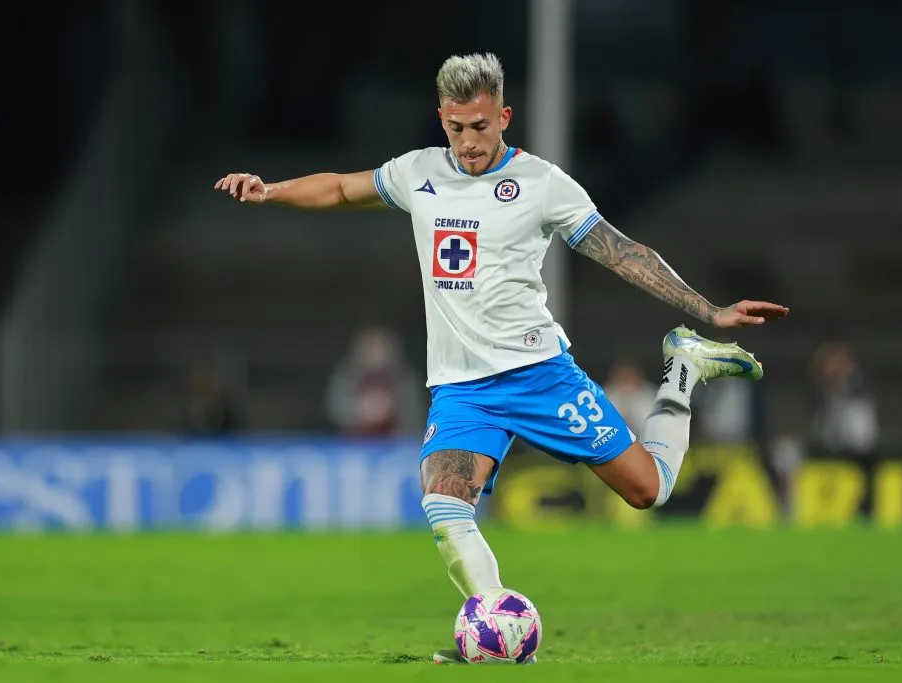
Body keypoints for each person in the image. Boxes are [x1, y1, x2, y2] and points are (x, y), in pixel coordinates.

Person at [214, 52, 789, 664]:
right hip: (462, 390)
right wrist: (270, 190)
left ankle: (683, 368)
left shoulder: (542, 183)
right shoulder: (417, 174)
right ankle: (494, 633)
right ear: (442, 119)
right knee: (443, 504)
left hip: (540, 376)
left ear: (504, 116)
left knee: (649, 491)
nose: (469, 141)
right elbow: (337, 188)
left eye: (480, 126)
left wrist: (708, 312)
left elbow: (621, 251)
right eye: (457, 127)